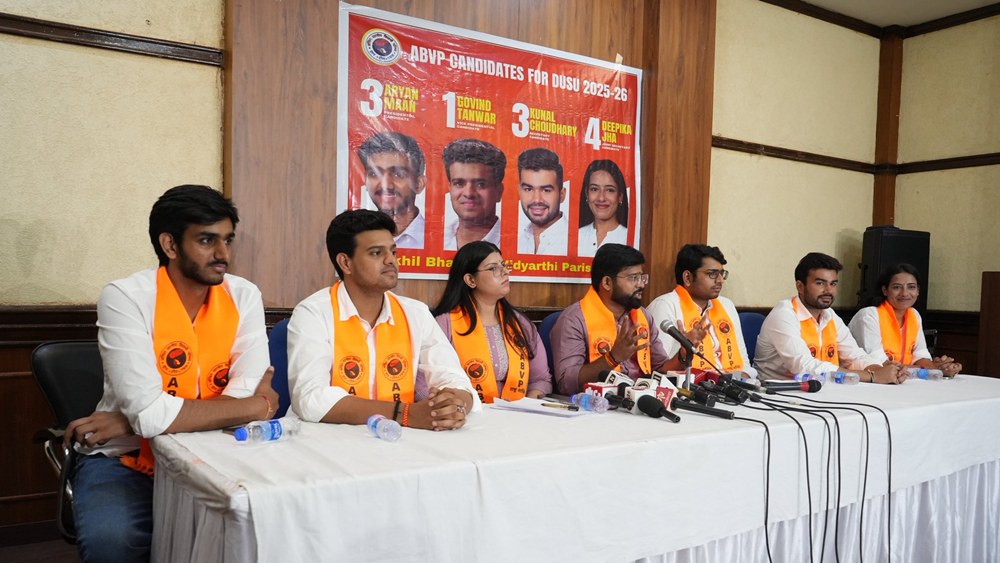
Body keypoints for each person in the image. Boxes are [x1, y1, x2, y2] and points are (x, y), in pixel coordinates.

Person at [63, 185, 276, 562]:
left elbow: (153, 415)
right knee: (114, 540)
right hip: (126, 456)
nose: (223, 254)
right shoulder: (126, 297)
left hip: (219, 450)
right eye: (207, 240)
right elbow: (155, 414)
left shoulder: (244, 296)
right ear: (170, 245)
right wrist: (257, 407)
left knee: (268, 524)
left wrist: (133, 419)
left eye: (228, 239)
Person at [287, 209, 479, 429]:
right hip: (328, 439)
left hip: (399, 438)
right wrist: (404, 414)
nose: (391, 260)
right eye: (377, 253)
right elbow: (310, 399)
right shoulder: (313, 313)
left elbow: (455, 380)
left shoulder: (415, 313)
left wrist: (453, 405)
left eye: (393, 251)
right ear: (346, 263)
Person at [754, 252, 904, 384]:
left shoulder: (829, 315)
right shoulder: (784, 315)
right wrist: (872, 376)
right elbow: (803, 366)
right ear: (800, 286)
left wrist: (882, 370)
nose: (828, 290)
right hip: (779, 394)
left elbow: (854, 355)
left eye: (833, 284)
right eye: (820, 283)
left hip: (823, 390)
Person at [431, 241, 553, 402]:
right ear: (470, 280)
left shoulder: (520, 324)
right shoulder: (444, 324)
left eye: (503, 265)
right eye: (493, 268)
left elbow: (540, 380)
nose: (505, 272)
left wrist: (527, 408)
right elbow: (427, 382)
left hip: (518, 412)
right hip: (465, 412)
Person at [550, 243, 674, 394]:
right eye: (633, 278)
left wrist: (682, 356)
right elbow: (566, 383)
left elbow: (660, 369)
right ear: (607, 283)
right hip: (599, 403)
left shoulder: (642, 316)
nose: (641, 284)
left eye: (642, 277)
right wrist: (613, 358)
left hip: (641, 398)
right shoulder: (574, 320)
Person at [647, 244, 758, 379]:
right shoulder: (665, 306)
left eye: (722, 274)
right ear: (688, 277)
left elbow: (744, 363)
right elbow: (658, 371)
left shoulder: (726, 305)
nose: (720, 280)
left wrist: (738, 379)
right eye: (712, 274)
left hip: (732, 384)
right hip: (690, 387)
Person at [849, 263, 961, 377]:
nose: (905, 293)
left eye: (911, 287)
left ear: (918, 290)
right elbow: (880, 364)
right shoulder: (869, 316)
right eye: (897, 287)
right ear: (885, 290)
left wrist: (941, 367)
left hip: (901, 379)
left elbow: (920, 355)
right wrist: (930, 368)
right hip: (870, 381)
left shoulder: (914, 315)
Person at [356, 131, 427, 248]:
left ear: (418, 184)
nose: (386, 185)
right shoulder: (358, 238)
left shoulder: (438, 238)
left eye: (398, 174)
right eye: (374, 173)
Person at [442, 138, 506, 250]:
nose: (469, 193)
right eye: (459, 183)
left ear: (499, 192)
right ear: (450, 188)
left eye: (481, 184)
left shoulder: (516, 243)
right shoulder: (437, 238)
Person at [516, 147, 568, 255]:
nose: (537, 199)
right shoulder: (516, 241)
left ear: (562, 195)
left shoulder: (576, 242)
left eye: (546, 190)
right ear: (519, 191)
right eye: (528, 189)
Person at [577, 159, 629, 257]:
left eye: (609, 190)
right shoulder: (575, 236)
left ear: (620, 196)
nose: (601, 198)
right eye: (594, 189)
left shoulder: (629, 238)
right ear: (587, 194)